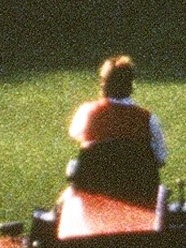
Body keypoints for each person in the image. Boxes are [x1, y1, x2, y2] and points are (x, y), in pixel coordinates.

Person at [65, 57, 167, 206]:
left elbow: (76, 134)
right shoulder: (149, 119)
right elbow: (161, 158)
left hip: (95, 194)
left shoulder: (87, 113)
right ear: (131, 86)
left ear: (104, 84)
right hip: (139, 193)